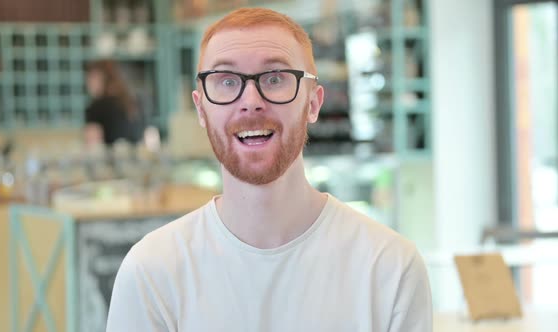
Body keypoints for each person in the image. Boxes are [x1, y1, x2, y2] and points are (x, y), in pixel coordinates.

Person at [106, 7, 432, 332]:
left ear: (313, 103)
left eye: (275, 79)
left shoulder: (389, 267)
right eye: (226, 81)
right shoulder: (151, 272)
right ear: (201, 108)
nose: (250, 100)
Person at [84, 59, 143, 146]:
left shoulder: (97, 106)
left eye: (90, 77)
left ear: (100, 78)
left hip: (108, 158)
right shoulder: (131, 102)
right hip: (133, 157)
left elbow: (92, 144)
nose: (87, 83)